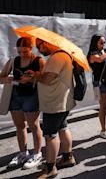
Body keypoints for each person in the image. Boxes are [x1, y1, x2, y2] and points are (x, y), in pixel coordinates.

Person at [33, 38, 77, 178]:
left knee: (50, 134)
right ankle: (67, 157)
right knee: (63, 127)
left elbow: (48, 78)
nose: (39, 50)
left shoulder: (58, 56)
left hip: (55, 103)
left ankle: (50, 168)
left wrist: (36, 75)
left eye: (39, 47)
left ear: (45, 43)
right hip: (61, 101)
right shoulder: (62, 55)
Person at [0, 37, 44, 169]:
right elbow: (1, 78)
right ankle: (23, 153)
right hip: (15, 96)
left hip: (31, 96)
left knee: (34, 126)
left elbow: (45, 80)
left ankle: (37, 154)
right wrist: (7, 79)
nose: (22, 54)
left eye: (25, 51)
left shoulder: (39, 61)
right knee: (19, 126)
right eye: (20, 52)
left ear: (31, 48)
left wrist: (31, 79)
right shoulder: (14, 60)